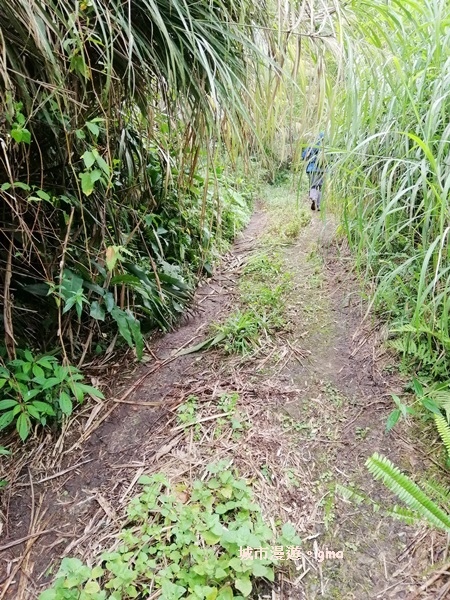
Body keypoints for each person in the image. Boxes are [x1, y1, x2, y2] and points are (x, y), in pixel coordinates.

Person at [301, 133, 325, 211]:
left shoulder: (312, 145)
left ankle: (313, 198)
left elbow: (304, 156)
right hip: (322, 170)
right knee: (320, 188)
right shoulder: (325, 147)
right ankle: (319, 205)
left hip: (311, 169)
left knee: (313, 186)